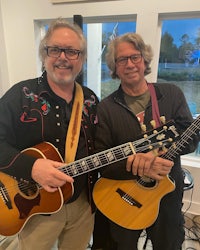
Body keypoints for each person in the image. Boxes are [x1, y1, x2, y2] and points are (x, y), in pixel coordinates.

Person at [92, 33, 199, 250]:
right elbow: (102, 161)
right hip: (124, 195)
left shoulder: (171, 94)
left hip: (166, 195)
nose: (130, 64)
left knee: (169, 244)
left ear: (144, 60)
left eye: (135, 57)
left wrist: (158, 153)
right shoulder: (105, 108)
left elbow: (191, 140)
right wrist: (136, 165)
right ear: (114, 66)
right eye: (122, 59)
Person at [0, 18, 99, 250]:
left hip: (82, 205)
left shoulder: (92, 100)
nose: (63, 57)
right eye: (55, 49)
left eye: (72, 51)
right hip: (35, 208)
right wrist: (32, 168)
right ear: (44, 55)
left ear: (81, 60)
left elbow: (103, 146)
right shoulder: (20, 95)